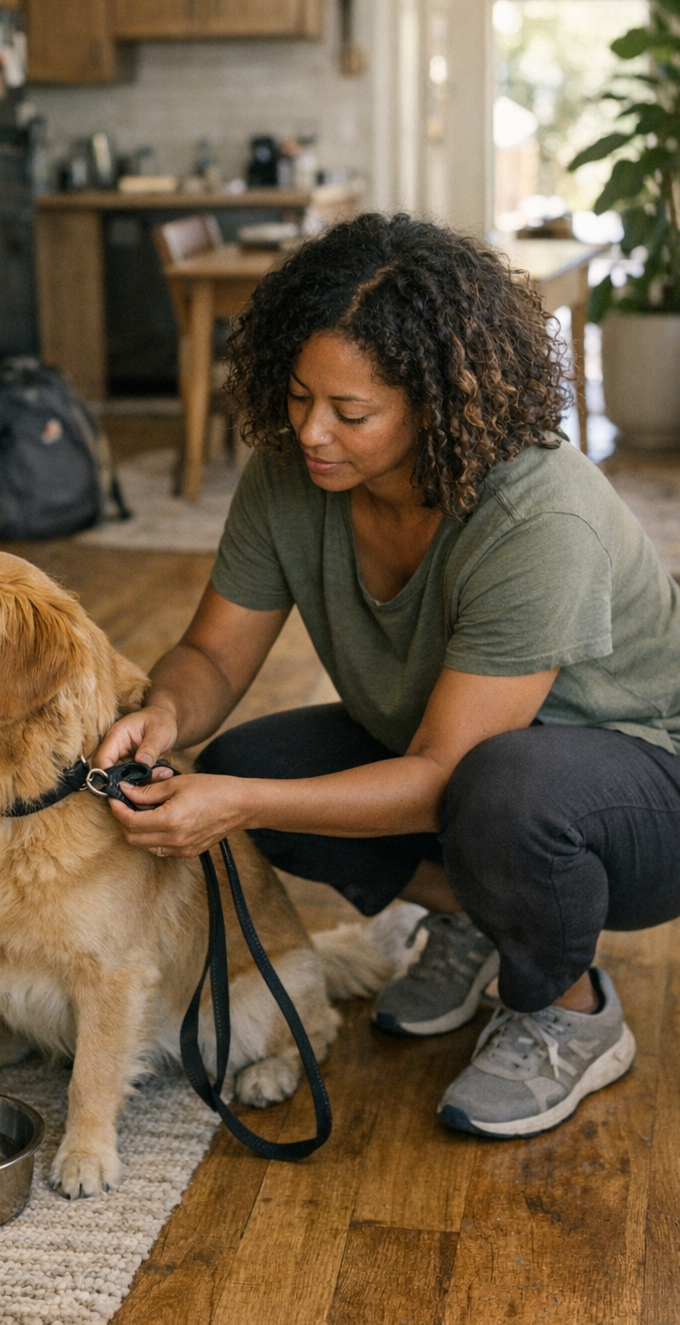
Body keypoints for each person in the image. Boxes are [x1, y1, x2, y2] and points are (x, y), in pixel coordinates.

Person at [92, 211, 680, 1140]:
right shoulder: (296, 473)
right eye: (295, 396)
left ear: (440, 403)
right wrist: (164, 713)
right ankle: (492, 921)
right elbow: (209, 655)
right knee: (257, 760)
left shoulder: (538, 518)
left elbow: (448, 774)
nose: (311, 431)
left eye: (351, 413)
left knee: (499, 792)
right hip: (469, 764)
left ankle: (570, 1010)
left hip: (645, 789)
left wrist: (235, 803)